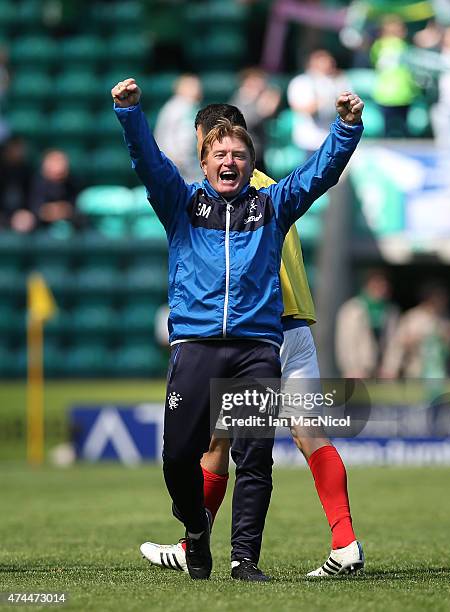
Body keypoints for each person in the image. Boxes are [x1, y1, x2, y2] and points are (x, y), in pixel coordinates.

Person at [113, 77, 364, 581]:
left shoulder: (265, 201)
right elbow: (147, 161)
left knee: (240, 453)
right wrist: (130, 115)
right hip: (244, 339)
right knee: (201, 453)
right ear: (206, 158)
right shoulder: (200, 201)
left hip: (261, 340)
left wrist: (346, 128)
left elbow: (320, 174)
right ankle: (208, 537)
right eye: (219, 151)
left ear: (245, 154)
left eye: (235, 151)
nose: (228, 159)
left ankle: (230, 554)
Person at [382, 282, 450, 379]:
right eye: (438, 297)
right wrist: (390, 369)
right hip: (416, 373)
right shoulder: (412, 317)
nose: (443, 300)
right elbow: (397, 345)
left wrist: (448, 338)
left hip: (442, 374)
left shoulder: (448, 318)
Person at [336, 270, 399, 378]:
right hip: (358, 370)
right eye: (377, 286)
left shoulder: (391, 311)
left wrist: (390, 367)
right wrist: (352, 369)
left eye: (384, 287)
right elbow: (346, 342)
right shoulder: (352, 309)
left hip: (380, 371)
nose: (382, 290)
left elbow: (394, 342)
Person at [287, 49, 350, 154]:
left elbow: (348, 107)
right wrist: (324, 98)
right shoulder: (301, 82)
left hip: (333, 139)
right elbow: (300, 108)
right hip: (310, 140)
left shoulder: (339, 81)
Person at [370, 15, 419, 136]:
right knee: (403, 128)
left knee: (387, 129)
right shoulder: (403, 46)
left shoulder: (377, 45)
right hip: (403, 93)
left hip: (384, 93)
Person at [154, 74, 203, 183]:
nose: (197, 89)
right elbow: (166, 136)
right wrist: (175, 159)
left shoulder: (193, 107)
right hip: (177, 165)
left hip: (191, 165)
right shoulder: (175, 108)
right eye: (191, 86)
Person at [229, 68, 281, 171]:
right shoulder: (241, 99)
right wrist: (262, 110)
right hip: (244, 154)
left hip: (258, 153)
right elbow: (244, 122)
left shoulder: (257, 99)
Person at [28, 149, 81, 230]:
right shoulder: (35, 183)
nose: (58, 166)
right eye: (54, 162)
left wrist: (62, 211)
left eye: (60, 162)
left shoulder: (73, 183)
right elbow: (36, 209)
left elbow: (75, 209)